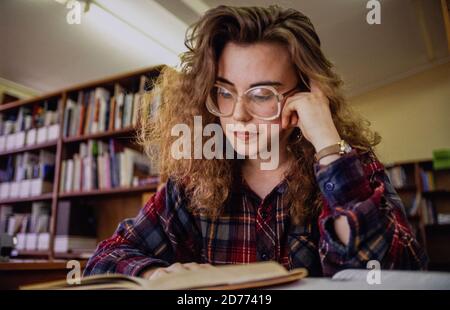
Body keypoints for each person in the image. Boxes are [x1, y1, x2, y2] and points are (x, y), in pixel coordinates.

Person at [84, 5, 427, 278]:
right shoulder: (190, 183)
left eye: (261, 94)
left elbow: (393, 273)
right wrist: (154, 274)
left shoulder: (350, 166)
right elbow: (103, 259)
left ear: (306, 95)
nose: (238, 115)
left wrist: (327, 144)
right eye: (224, 92)